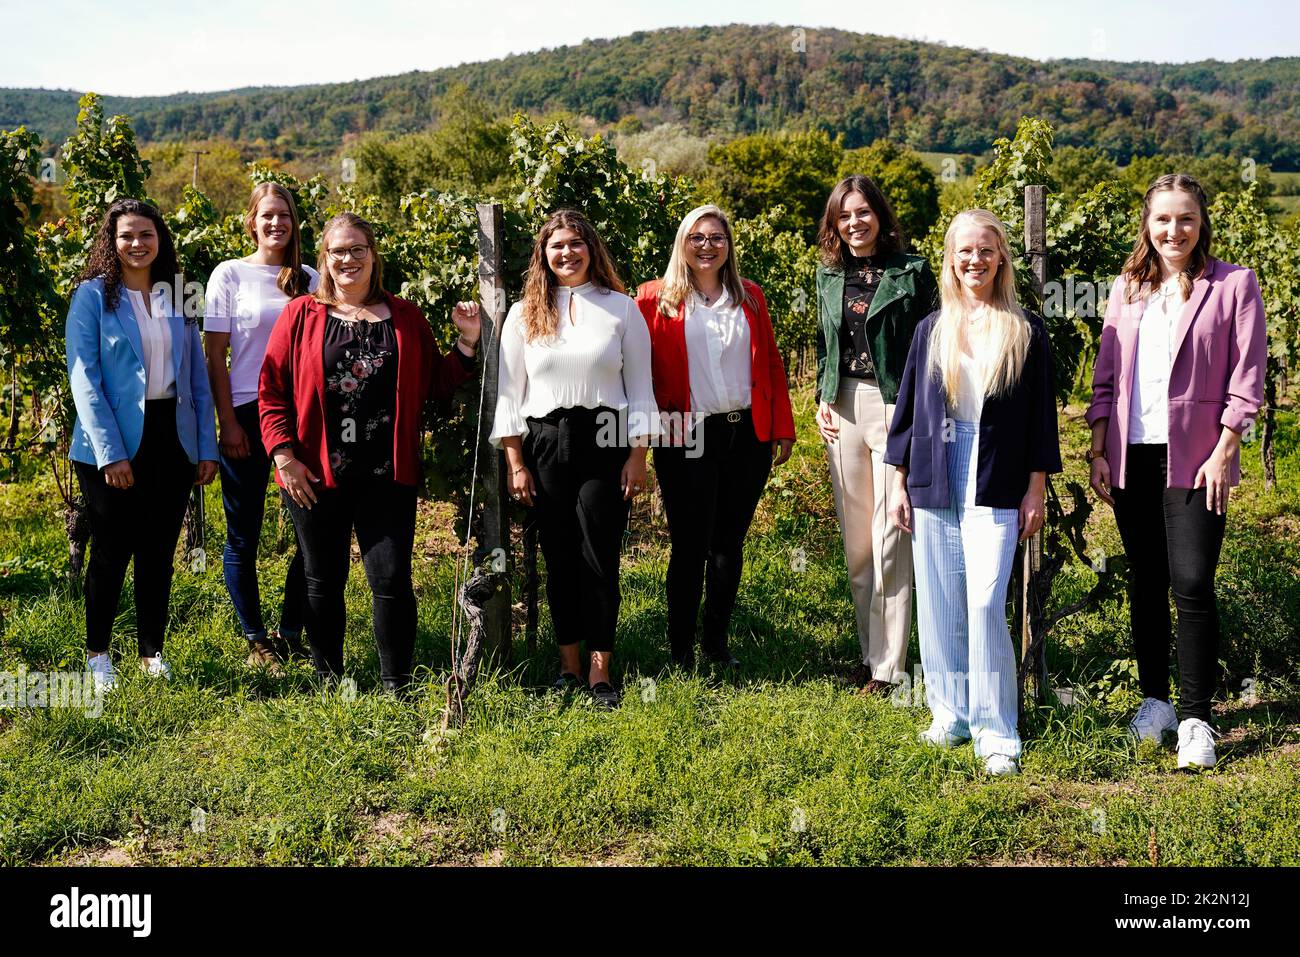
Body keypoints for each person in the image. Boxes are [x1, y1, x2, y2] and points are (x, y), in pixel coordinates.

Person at [1086, 173, 1266, 770]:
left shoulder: (1233, 285)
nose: (1174, 230)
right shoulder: (1127, 288)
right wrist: (1097, 447)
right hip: (1133, 453)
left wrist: (1226, 446)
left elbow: (1247, 375)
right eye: (1163, 219)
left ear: (1200, 222)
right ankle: (1155, 701)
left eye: (1185, 218)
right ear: (1148, 224)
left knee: (1191, 581)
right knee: (1145, 579)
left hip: (1198, 456)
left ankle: (1196, 719)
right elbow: (1106, 376)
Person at [259, 212, 481, 693]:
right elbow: (272, 389)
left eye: (357, 248)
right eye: (337, 251)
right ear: (325, 258)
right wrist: (282, 455)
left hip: (387, 473)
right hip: (314, 473)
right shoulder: (300, 315)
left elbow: (435, 386)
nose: (348, 259)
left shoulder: (403, 317)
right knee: (322, 578)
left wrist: (466, 342)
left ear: (373, 255)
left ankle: (394, 685)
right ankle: (327, 680)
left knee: (392, 579)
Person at [886, 209, 1061, 777]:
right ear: (950, 258)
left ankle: (996, 730)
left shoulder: (1026, 329)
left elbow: (1041, 420)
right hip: (936, 465)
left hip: (998, 475)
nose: (975, 260)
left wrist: (1036, 487)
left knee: (985, 598)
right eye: (964, 250)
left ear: (1001, 258)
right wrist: (896, 481)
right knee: (939, 599)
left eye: (986, 250)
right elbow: (909, 413)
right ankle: (950, 713)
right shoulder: (930, 330)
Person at [491, 209, 659, 709]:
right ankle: (567, 666)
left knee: (599, 557)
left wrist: (638, 456)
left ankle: (600, 670)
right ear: (543, 254)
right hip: (545, 441)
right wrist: (515, 462)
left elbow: (642, 390)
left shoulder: (622, 309)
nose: (567, 253)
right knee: (559, 557)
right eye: (557, 245)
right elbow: (509, 394)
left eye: (576, 243)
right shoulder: (524, 314)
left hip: (606, 439)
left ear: (592, 249)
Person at [66, 199, 219, 690]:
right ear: (112, 242)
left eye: (146, 234)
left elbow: (197, 377)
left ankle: (152, 652)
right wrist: (110, 451)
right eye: (127, 235)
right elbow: (83, 378)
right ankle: (98, 656)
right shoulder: (92, 297)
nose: (137, 244)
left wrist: (206, 447)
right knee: (111, 551)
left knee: (158, 551)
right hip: (110, 437)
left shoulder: (181, 294)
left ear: (161, 239)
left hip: (170, 435)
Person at [635, 204, 795, 669]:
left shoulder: (750, 297)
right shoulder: (653, 299)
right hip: (685, 433)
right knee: (689, 543)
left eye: (717, 238)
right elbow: (637, 375)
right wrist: (639, 440)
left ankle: (716, 645)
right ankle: (681, 649)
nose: (708, 246)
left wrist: (782, 425)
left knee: (729, 542)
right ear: (682, 244)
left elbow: (770, 364)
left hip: (745, 433)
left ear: (729, 246)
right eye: (698, 237)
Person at [814, 174, 938, 695]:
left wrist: (918, 411)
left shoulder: (912, 274)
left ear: (880, 217)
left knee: (892, 539)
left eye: (862, 212)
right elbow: (824, 342)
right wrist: (823, 392)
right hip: (842, 408)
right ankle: (869, 658)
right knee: (858, 543)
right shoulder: (828, 276)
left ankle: (891, 668)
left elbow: (932, 340)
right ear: (834, 225)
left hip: (894, 407)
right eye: (844, 216)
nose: (854, 223)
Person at [204, 183, 318, 671]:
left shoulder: (310, 278)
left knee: (312, 530)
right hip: (248, 413)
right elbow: (215, 354)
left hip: (304, 415)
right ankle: (256, 638)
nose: (277, 224)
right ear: (251, 221)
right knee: (243, 532)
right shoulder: (229, 275)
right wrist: (226, 420)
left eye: (285, 216)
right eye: (268, 216)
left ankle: (290, 629)